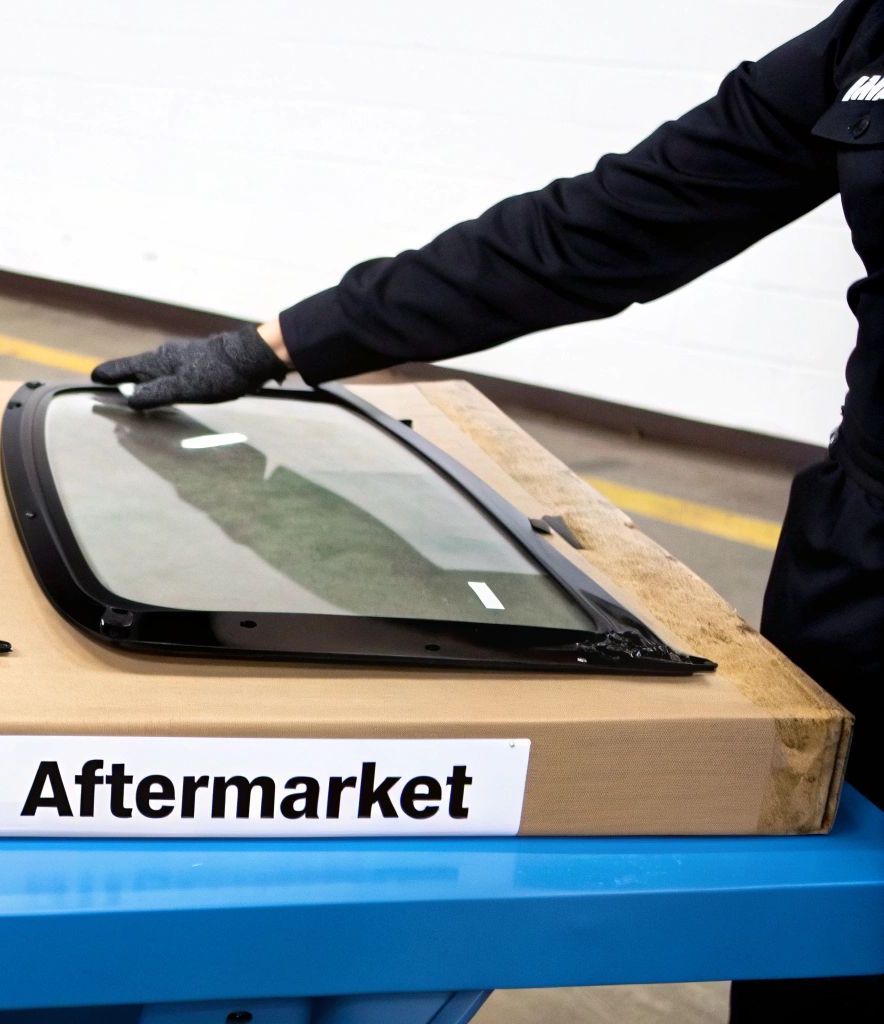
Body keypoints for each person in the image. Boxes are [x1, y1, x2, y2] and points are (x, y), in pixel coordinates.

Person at [92, 2, 884, 1019]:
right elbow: (611, 221)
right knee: (826, 925)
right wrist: (276, 345)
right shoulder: (865, 36)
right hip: (861, 561)